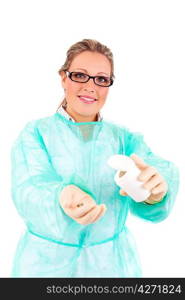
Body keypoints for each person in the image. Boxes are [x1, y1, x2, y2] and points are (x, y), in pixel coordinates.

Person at [11, 39, 179, 277]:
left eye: (101, 79)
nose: (91, 87)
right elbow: (28, 188)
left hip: (111, 268)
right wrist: (59, 196)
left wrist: (156, 193)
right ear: (63, 78)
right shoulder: (36, 133)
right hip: (45, 269)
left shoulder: (124, 140)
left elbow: (154, 172)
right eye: (80, 75)